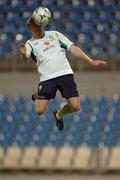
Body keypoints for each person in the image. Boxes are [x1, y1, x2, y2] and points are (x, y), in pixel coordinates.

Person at [18, 11, 107, 131]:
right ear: (31, 29)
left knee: (75, 107)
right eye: (35, 28)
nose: (37, 29)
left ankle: (59, 114)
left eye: (39, 26)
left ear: (42, 24)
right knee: (39, 111)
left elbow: (73, 48)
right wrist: (23, 54)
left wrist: (91, 61)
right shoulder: (30, 43)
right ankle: (38, 95)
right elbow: (25, 58)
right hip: (47, 78)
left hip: (65, 73)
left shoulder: (55, 34)